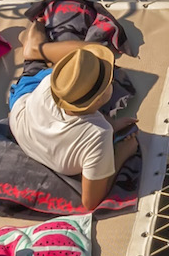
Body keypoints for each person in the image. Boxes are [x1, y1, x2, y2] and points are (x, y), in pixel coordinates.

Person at [8, 34, 135, 211]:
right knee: (84, 55)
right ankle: (36, 47)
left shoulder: (51, 85)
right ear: (98, 100)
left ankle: (37, 45)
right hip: (25, 109)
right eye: (109, 79)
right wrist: (123, 152)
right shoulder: (98, 134)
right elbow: (90, 201)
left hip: (20, 116)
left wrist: (113, 125)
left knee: (71, 72)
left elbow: (88, 111)